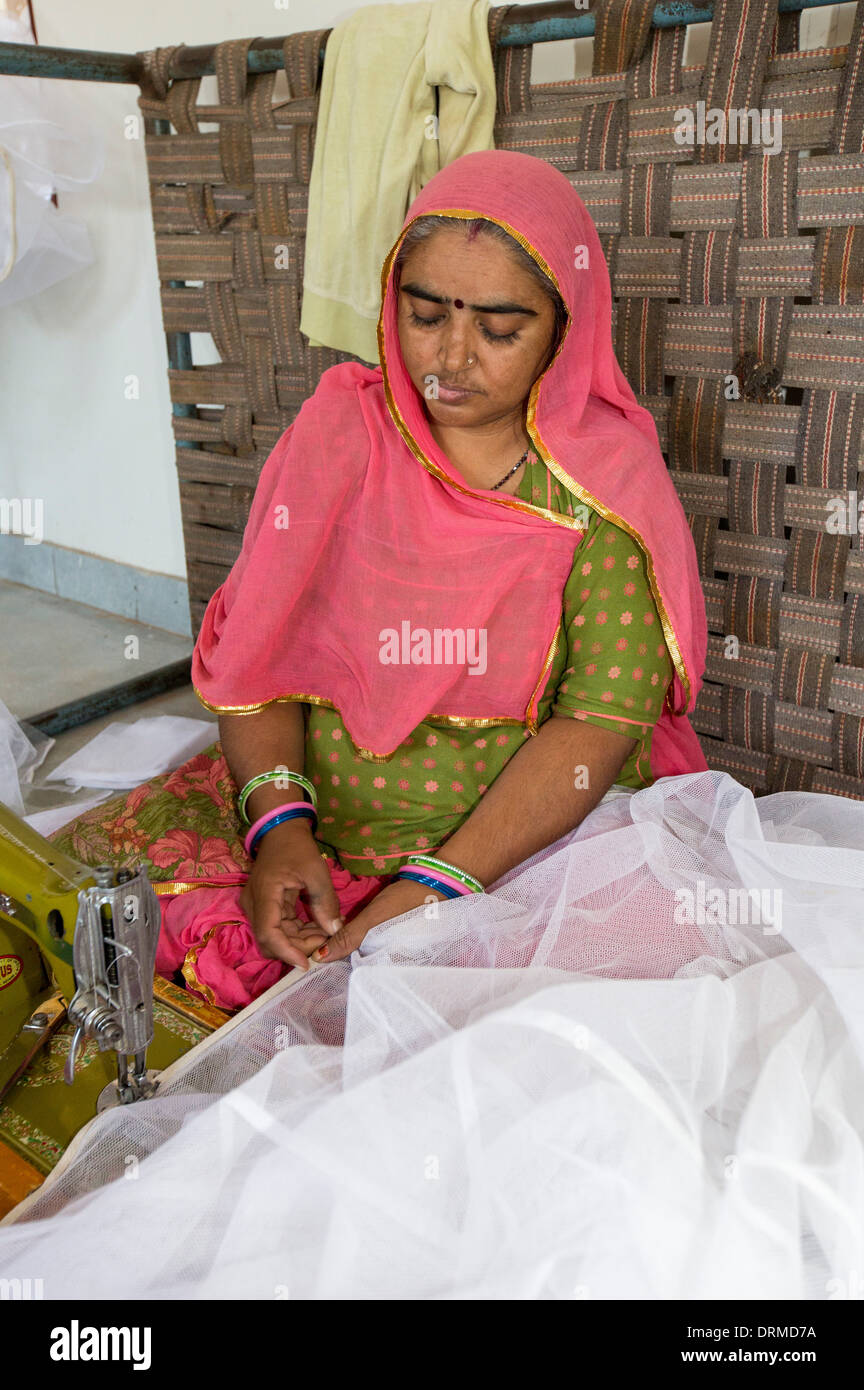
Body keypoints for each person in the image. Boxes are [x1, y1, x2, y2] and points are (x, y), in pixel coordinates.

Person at [50, 149, 708, 1011]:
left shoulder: (602, 485)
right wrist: (279, 827)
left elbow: (600, 720)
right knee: (91, 926)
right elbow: (256, 663)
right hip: (314, 818)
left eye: (501, 329)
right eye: (425, 314)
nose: (454, 355)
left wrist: (433, 890)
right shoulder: (340, 435)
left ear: (565, 326)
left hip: (518, 850)